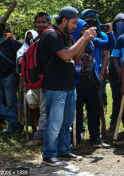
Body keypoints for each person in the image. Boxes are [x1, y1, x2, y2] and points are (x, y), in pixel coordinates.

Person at [40, 6, 96, 166]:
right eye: (73, 23)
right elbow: (65, 54)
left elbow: (76, 56)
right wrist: (82, 38)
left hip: (69, 85)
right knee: (55, 121)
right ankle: (48, 155)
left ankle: (63, 151)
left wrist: (85, 40)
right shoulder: (51, 35)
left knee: (66, 121)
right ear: (64, 20)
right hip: (55, 86)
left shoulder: (67, 36)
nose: (74, 26)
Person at [71, 19, 114, 149]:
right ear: (77, 29)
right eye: (83, 29)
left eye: (87, 28)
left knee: (94, 113)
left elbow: (110, 43)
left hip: (92, 83)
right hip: (77, 85)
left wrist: (110, 33)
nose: (86, 31)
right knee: (77, 115)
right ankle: (75, 140)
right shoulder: (72, 42)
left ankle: (95, 139)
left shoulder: (93, 41)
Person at [79, 9, 113, 140]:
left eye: (94, 17)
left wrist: (102, 72)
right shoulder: (77, 36)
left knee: (96, 106)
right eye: (88, 18)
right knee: (78, 107)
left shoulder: (100, 36)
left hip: (96, 74)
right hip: (79, 77)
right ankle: (80, 131)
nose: (91, 20)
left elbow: (106, 54)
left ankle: (96, 135)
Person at [22, 12, 52, 146]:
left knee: (48, 109)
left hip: (52, 80)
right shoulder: (37, 40)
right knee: (44, 109)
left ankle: (42, 137)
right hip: (41, 80)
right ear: (35, 24)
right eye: (38, 22)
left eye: (43, 22)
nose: (41, 24)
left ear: (49, 23)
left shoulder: (51, 38)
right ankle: (43, 137)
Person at [0, 15, 23, 135]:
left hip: (9, 78)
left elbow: (23, 56)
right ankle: (18, 121)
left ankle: (12, 130)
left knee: (11, 103)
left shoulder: (11, 43)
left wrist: (17, 68)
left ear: (3, 29)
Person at [16, 30, 39, 137]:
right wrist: (30, 55)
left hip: (37, 80)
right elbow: (20, 61)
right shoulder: (23, 49)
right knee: (27, 102)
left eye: (32, 38)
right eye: (28, 38)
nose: (30, 40)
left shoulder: (39, 48)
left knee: (38, 103)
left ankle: (39, 130)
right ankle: (30, 128)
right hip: (25, 81)